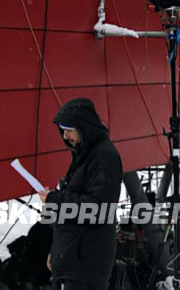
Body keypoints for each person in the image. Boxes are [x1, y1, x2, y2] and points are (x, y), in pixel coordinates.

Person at [44, 99, 122, 290]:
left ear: (83, 128)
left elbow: (97, 209)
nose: (65, 135)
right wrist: (57, 251)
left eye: (69, 129)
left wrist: (55, 199)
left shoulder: (104, 156)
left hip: (85, 263)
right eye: (62, 129)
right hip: (73, 259)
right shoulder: (85, 153)